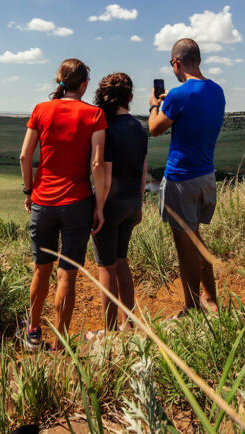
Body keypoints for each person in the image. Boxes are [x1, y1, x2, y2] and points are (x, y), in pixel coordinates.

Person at [18, 58, 108, 351]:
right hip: (77, 203)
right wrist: (99, 206)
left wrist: (29, 191)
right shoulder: (94, 114)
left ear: (59, 82)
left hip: (43, 201)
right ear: (84, 85)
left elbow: (24, 156)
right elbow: (97, 163)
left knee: (40, 269)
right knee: (66, 273)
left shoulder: (41, 110)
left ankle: (32, 332)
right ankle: (59, 343)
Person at [148, 38, 225, 314]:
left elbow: (155, 129)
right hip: (206, 176)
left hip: (181, 179)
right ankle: (211, 299)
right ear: (199, 60)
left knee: (185, 248)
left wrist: (154, 105)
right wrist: (173, 100)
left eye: (172, 65)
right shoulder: (217, 91)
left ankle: (192, 307)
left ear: (176, 63)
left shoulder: (180, 95)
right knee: (196, 238)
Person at [90, 73, 149, 334]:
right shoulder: (139, 127)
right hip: (132, 202)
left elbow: (105, 172)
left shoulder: (106, 128)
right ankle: (128, 322)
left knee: (106, 267)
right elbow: (143, 170)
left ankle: (110, 330)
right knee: (122, 261)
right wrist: (140, 204)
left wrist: (99, 208)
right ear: (131, 97)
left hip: (110, 205)